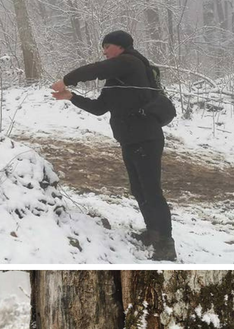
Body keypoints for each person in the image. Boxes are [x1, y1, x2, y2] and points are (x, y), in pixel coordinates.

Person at [51, 30, 177, 262]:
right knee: (139, 189)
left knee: (151, 190)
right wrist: (71, 97)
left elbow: (96, 69)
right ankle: (153, 232)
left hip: (147, 137)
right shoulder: (117, 80)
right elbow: (100, 108)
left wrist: (66, 79)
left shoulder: (131, 63)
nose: (104, 51)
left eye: (107, 46)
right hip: (130, 139)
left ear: (120, 46)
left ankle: (166, 244)